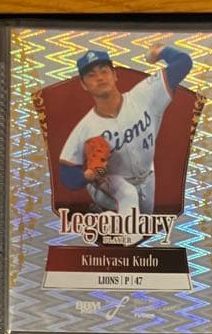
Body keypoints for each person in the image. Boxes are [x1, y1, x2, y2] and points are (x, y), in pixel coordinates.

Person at [58, 43, 193, 215]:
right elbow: (67, 173)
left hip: (147, 178)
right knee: (127, 198)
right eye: (91, 75)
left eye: (104, 71)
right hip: (108, 184)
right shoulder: (85, 128)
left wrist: (160, 52)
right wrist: (88, 175)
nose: (99, 78)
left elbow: (183, 63)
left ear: (115, 75)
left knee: (144, 224)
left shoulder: (144, 95)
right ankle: (106, 215)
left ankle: (118, 220)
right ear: (84, 85)